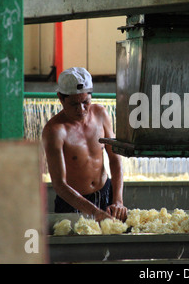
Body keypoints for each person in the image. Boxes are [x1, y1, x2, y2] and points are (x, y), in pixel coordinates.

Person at [42, 67, 127, 222]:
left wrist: (118, 200)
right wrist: (94, 212)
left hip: (105, 194)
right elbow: (59, 185)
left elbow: (116, 160)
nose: (81, 109)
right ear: (60, 98)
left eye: (85, 102)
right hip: (72, 202)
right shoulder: (54, 131)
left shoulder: (101, 114)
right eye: (74, 104)